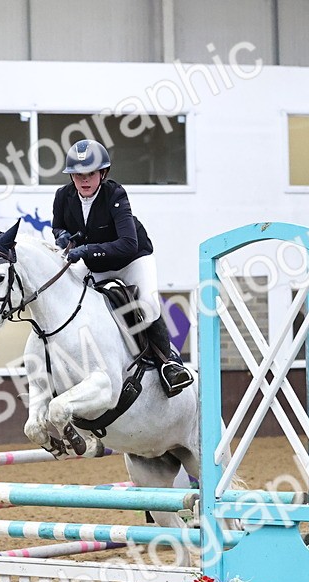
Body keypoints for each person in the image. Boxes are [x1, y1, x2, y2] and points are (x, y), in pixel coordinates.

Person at [51, 139, 193, 396]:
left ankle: (169, 365)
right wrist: (63, 237)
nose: (84, 180)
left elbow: (128, 244)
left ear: (102, 173)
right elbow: (58, 227)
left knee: (148, 306)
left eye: (90, 174)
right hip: (95, 264)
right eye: (78, 175)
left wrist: (85, 249)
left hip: (132, 260)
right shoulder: (63, 196)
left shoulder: (115, 195)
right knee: (69, 299)